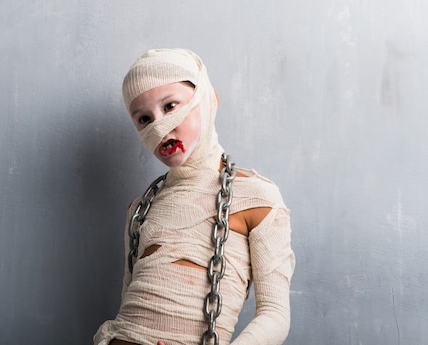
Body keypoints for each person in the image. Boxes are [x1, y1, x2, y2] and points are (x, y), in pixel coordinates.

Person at [93, 48, 296, 345]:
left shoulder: (257, 198)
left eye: (171, 106)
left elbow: (275, 314)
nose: (160, 127)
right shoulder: (140, 209)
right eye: (144, 119)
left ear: (208, 100)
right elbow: (128, 300)